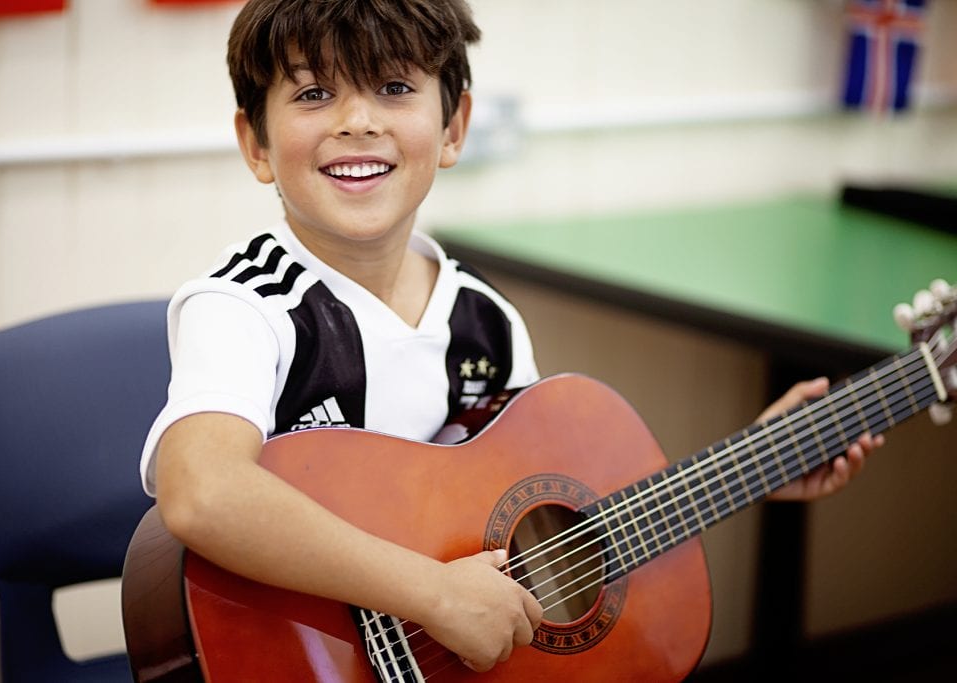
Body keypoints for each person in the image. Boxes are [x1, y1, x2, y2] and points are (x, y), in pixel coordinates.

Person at [139, 0, 882, 674]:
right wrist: (430, 592)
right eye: (313, 93)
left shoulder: (486, 317)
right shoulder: (244, 306)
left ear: (454, 126)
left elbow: (536, 531)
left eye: (395, 88)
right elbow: (204, 493)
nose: (356, 120)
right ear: (256, 142)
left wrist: (749, 464)